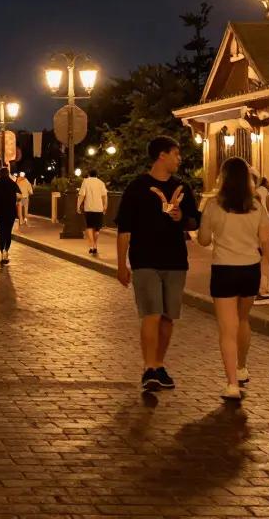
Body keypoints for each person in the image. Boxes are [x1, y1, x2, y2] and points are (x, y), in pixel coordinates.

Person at [114, 135, 200, 393]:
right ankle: (148, 367)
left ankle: (160, 364)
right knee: (151, 313)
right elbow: (124, 228)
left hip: (175, 261)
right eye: (176, 154)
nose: (179, 159)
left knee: (167, 317)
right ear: (162, 155)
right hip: (144, 260)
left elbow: (195, 222)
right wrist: (121, 265)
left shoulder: (182, 188)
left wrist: (180, 215)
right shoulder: (137, 188)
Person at [197, 157, 269, 401]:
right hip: (250, 269)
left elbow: (203, 240)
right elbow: (266, 239)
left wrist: (204, 236)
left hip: (224, 269)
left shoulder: (213, 205)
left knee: (227, 327)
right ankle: (242, 367)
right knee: (243, 319)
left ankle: (232, 384)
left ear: (223, 178)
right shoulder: (256, 206)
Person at [0, 167, 22, 265]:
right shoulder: (12, 184)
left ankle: (2, 252)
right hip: (10, 212)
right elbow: (20, 195)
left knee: (1, 232)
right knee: (8, 232)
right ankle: (7, 250)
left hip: (0, 212)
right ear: (8, 173)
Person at [254, 174, 269, 305]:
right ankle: (260, 289)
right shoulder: (258, 195)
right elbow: (266, 239)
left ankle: (260, 289)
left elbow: (204, 239)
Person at [78, 169, 108, 255]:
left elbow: (82, 195)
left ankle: (92, 246)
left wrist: (78, 205)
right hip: (99, 208)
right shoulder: (101, 183)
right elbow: (104, 195)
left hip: (89, 208)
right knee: (97, 229)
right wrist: (105, 205)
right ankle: (95, 245)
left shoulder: (86, 182)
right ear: (97, 175)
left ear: (89, 174)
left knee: (89, 227)